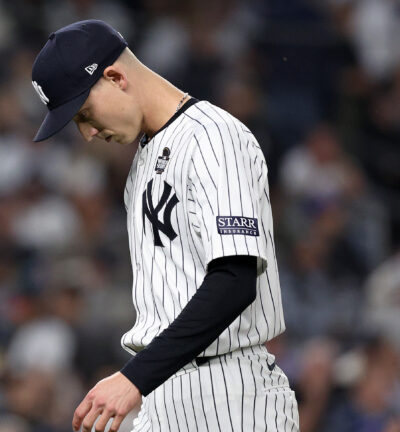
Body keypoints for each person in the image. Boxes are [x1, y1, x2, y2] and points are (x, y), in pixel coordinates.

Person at [31, 20, 299, 432]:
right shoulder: (142, 163)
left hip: (230, 397)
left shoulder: (213, 137)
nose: (87, 133)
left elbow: (234, 280)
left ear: (115, 77)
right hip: (163, 393)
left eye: (84, 114)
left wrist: (134, 377)